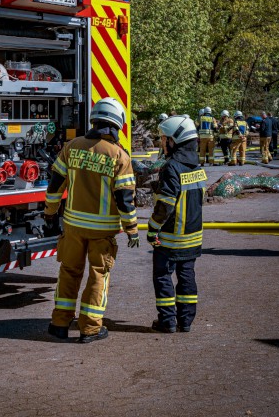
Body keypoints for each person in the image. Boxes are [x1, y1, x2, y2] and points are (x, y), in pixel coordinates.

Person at [44, 97, 138, 344]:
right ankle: (90, 329)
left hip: (73, 226)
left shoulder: (71, 147)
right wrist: (132, 230)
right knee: (98, 276)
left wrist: (50, 213)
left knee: (69, 271)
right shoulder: (119, 156)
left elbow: (55, 186)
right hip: (102, 232)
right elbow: (125, 200)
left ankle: (60, 323)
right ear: (117, 124)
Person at [147, 115, 207, 333]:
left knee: (162, 275)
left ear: (175, 140)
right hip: (193, 237)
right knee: (187, 276)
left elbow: (165, 206)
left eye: (165, 139)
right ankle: (186, 321)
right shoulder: (197, 167)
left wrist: (152, 229)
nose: (163, 143)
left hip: (170, 237)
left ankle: (168, 321)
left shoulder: (172, 167)